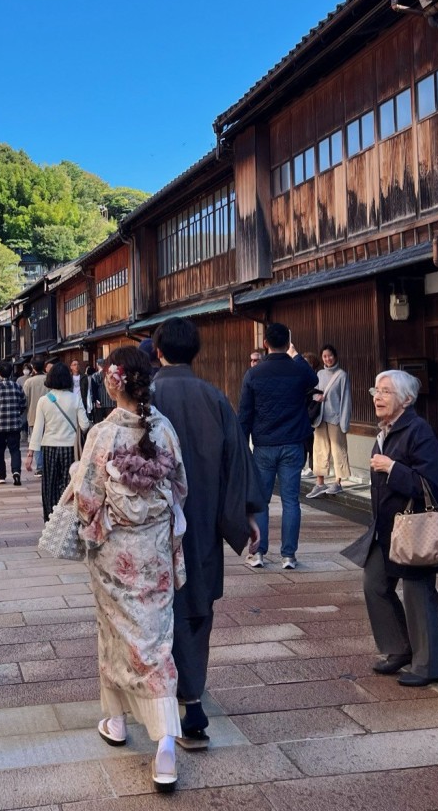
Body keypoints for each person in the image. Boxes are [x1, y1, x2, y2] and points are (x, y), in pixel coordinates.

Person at [71, 345, 187, 792]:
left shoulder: (103, 434)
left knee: (114, 631)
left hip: (114, 555)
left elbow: (87, 497)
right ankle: (162, 746)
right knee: (155, 637)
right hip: (154, 553)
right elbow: (181, 486)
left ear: (113, 381)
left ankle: (121, 722)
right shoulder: (164, 429)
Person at [151, 318, 260, 749]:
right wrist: (247, 514)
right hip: (200, 522)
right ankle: (192, 703)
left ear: (157, 351)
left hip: (151, 526)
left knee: (153, 611)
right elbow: (236, 462)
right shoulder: (214, 397)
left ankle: (155, 702)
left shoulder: (145, 398)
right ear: (194, 352)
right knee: (195, 608)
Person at [342, 370, 438, 687]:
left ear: (406, 400)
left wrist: (393, 467)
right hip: (386, 527)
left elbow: (429, 484)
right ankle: (399, 648)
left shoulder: (419, 432)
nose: (377, 397)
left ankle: (429, 666)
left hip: (414, 528)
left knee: (418, 592)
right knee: (375, 585)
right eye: (375, 390)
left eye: (385, 391)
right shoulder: (387, 430)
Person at [237, 322, 318, 570]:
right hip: (293, 443)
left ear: (265, 344)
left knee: (261, 501)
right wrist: (295, 355)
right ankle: (289, 556)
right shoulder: (297, 370)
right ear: (288, 342)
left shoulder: (254, 374)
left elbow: (245, 413)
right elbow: (313, 377)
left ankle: (258, 552)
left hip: (264, 444)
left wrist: (242, 445)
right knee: (291, 501)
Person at [25, 362, 90, 520]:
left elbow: (38, 429)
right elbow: (85, 424)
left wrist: (30, 454)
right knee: (69, 485)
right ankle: (69, 518)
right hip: (70, 448)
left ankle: (51, 518)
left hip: (49, 448)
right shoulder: (75, 399)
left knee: (49, 485)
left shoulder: (44, 401)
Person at [307, 345, 352, 498]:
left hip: (336, 418)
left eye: (330, 355)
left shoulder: (342, 375)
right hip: (321, 417)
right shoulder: (319, 374)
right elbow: (313, 392)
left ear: (335, 356)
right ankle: (320, 483)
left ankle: (338, 482)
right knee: (319, 450)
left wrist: (345, 421)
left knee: (338, 450)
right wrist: (316, 398)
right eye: (325, 356)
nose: (328, 358)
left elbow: (346, 400)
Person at [0, 360, 26, 485]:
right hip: (14, 424)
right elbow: (23, 403)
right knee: (15, 449)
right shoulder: (17, 387)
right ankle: (16, 472)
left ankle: (1, 475)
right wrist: (17, 412)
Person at [21, 358, 49, 468]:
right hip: (49, 414)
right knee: (47, 441)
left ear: (33, 368)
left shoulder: (29, 382)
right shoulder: (49, 379)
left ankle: (40, 466)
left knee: (36, 441)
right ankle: (47, 464)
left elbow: (24, 400)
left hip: (33, 414)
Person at [89, 357, 117, 424]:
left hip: (100, 402)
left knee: (99, 423)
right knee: (111, 423)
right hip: (111, 402)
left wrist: (95, 401)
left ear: (97, 365)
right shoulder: (111, 374)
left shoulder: (95, 376)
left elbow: (93, 390)